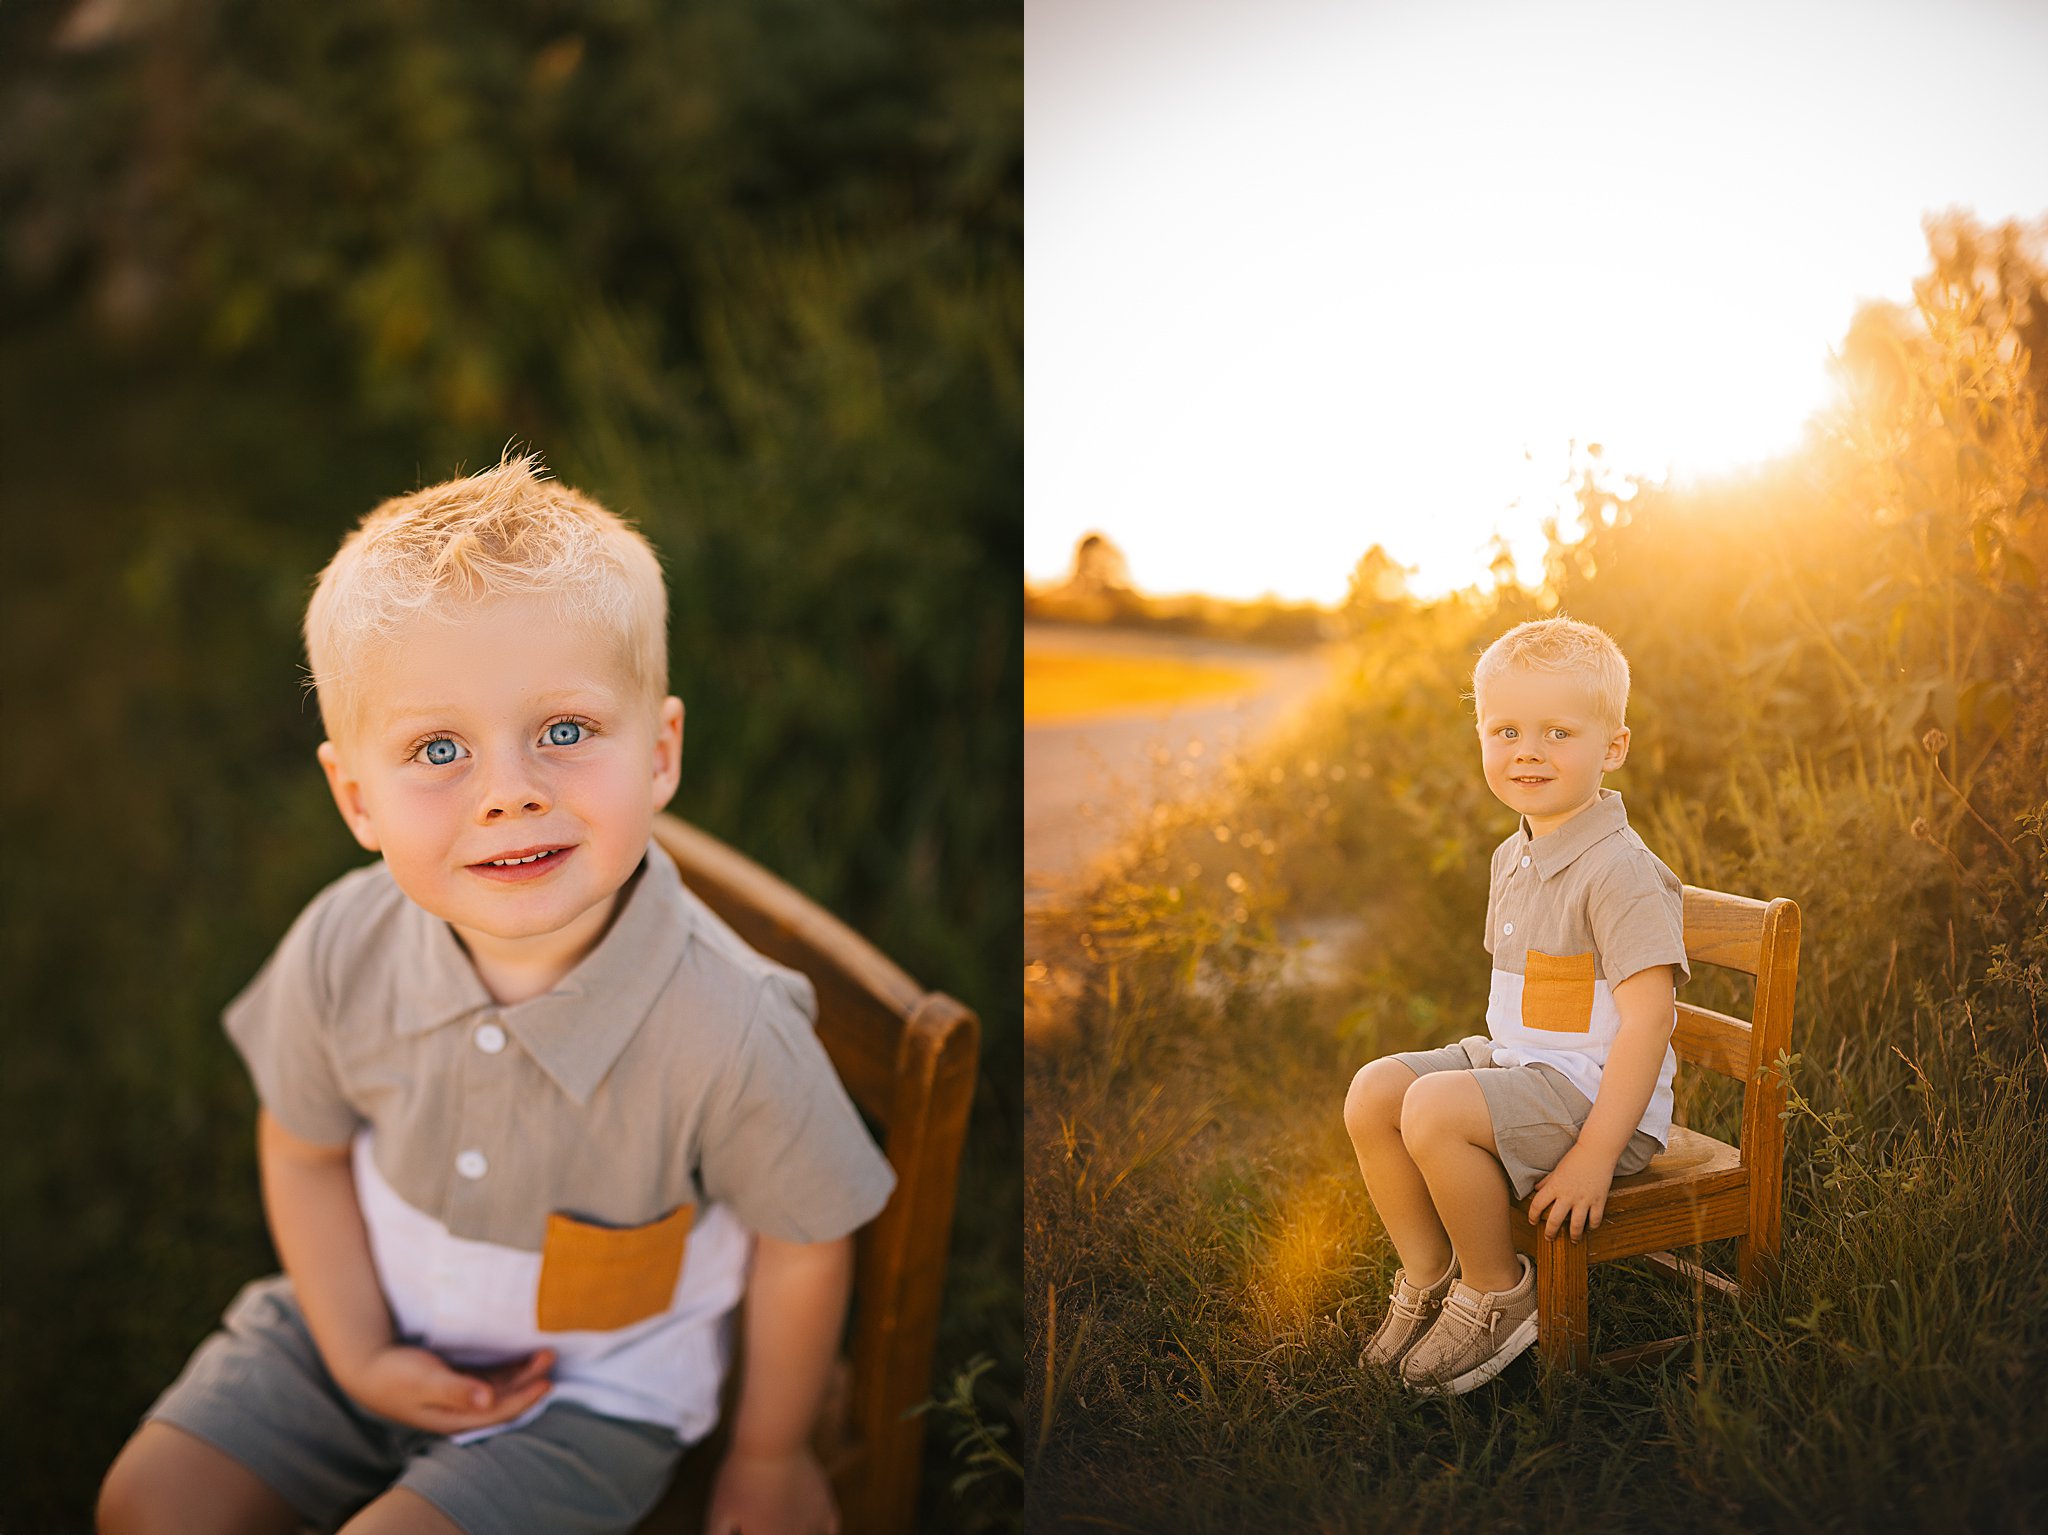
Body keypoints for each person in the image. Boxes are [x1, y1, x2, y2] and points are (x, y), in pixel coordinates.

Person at [99, 455, 894, 1535]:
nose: (511, 789)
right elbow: (302, 1147)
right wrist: (358, 1351)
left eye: (564, 731)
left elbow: (803, 1240)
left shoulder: (728, 1024)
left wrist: (769, 1452)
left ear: (658, 752)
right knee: (148, 1503)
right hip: (358, 1313)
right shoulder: (344, 943)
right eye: (437, 748)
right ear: (355, 796)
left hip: (589, 1397)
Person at [1341, 617, 1688, 1395]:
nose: (1528, 749)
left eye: (1558, 731)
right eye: (1506, 729)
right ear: (1481, 737)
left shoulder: (1619, 870)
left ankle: (1499, 1292)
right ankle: (1434, 1274)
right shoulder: (1517, 852)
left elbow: (1649, 1020)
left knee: (1432, 1108)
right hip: (1528, 1068)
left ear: (1612, 747)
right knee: (1374, 1092)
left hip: (1602, 1102)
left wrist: (1598, 1152)